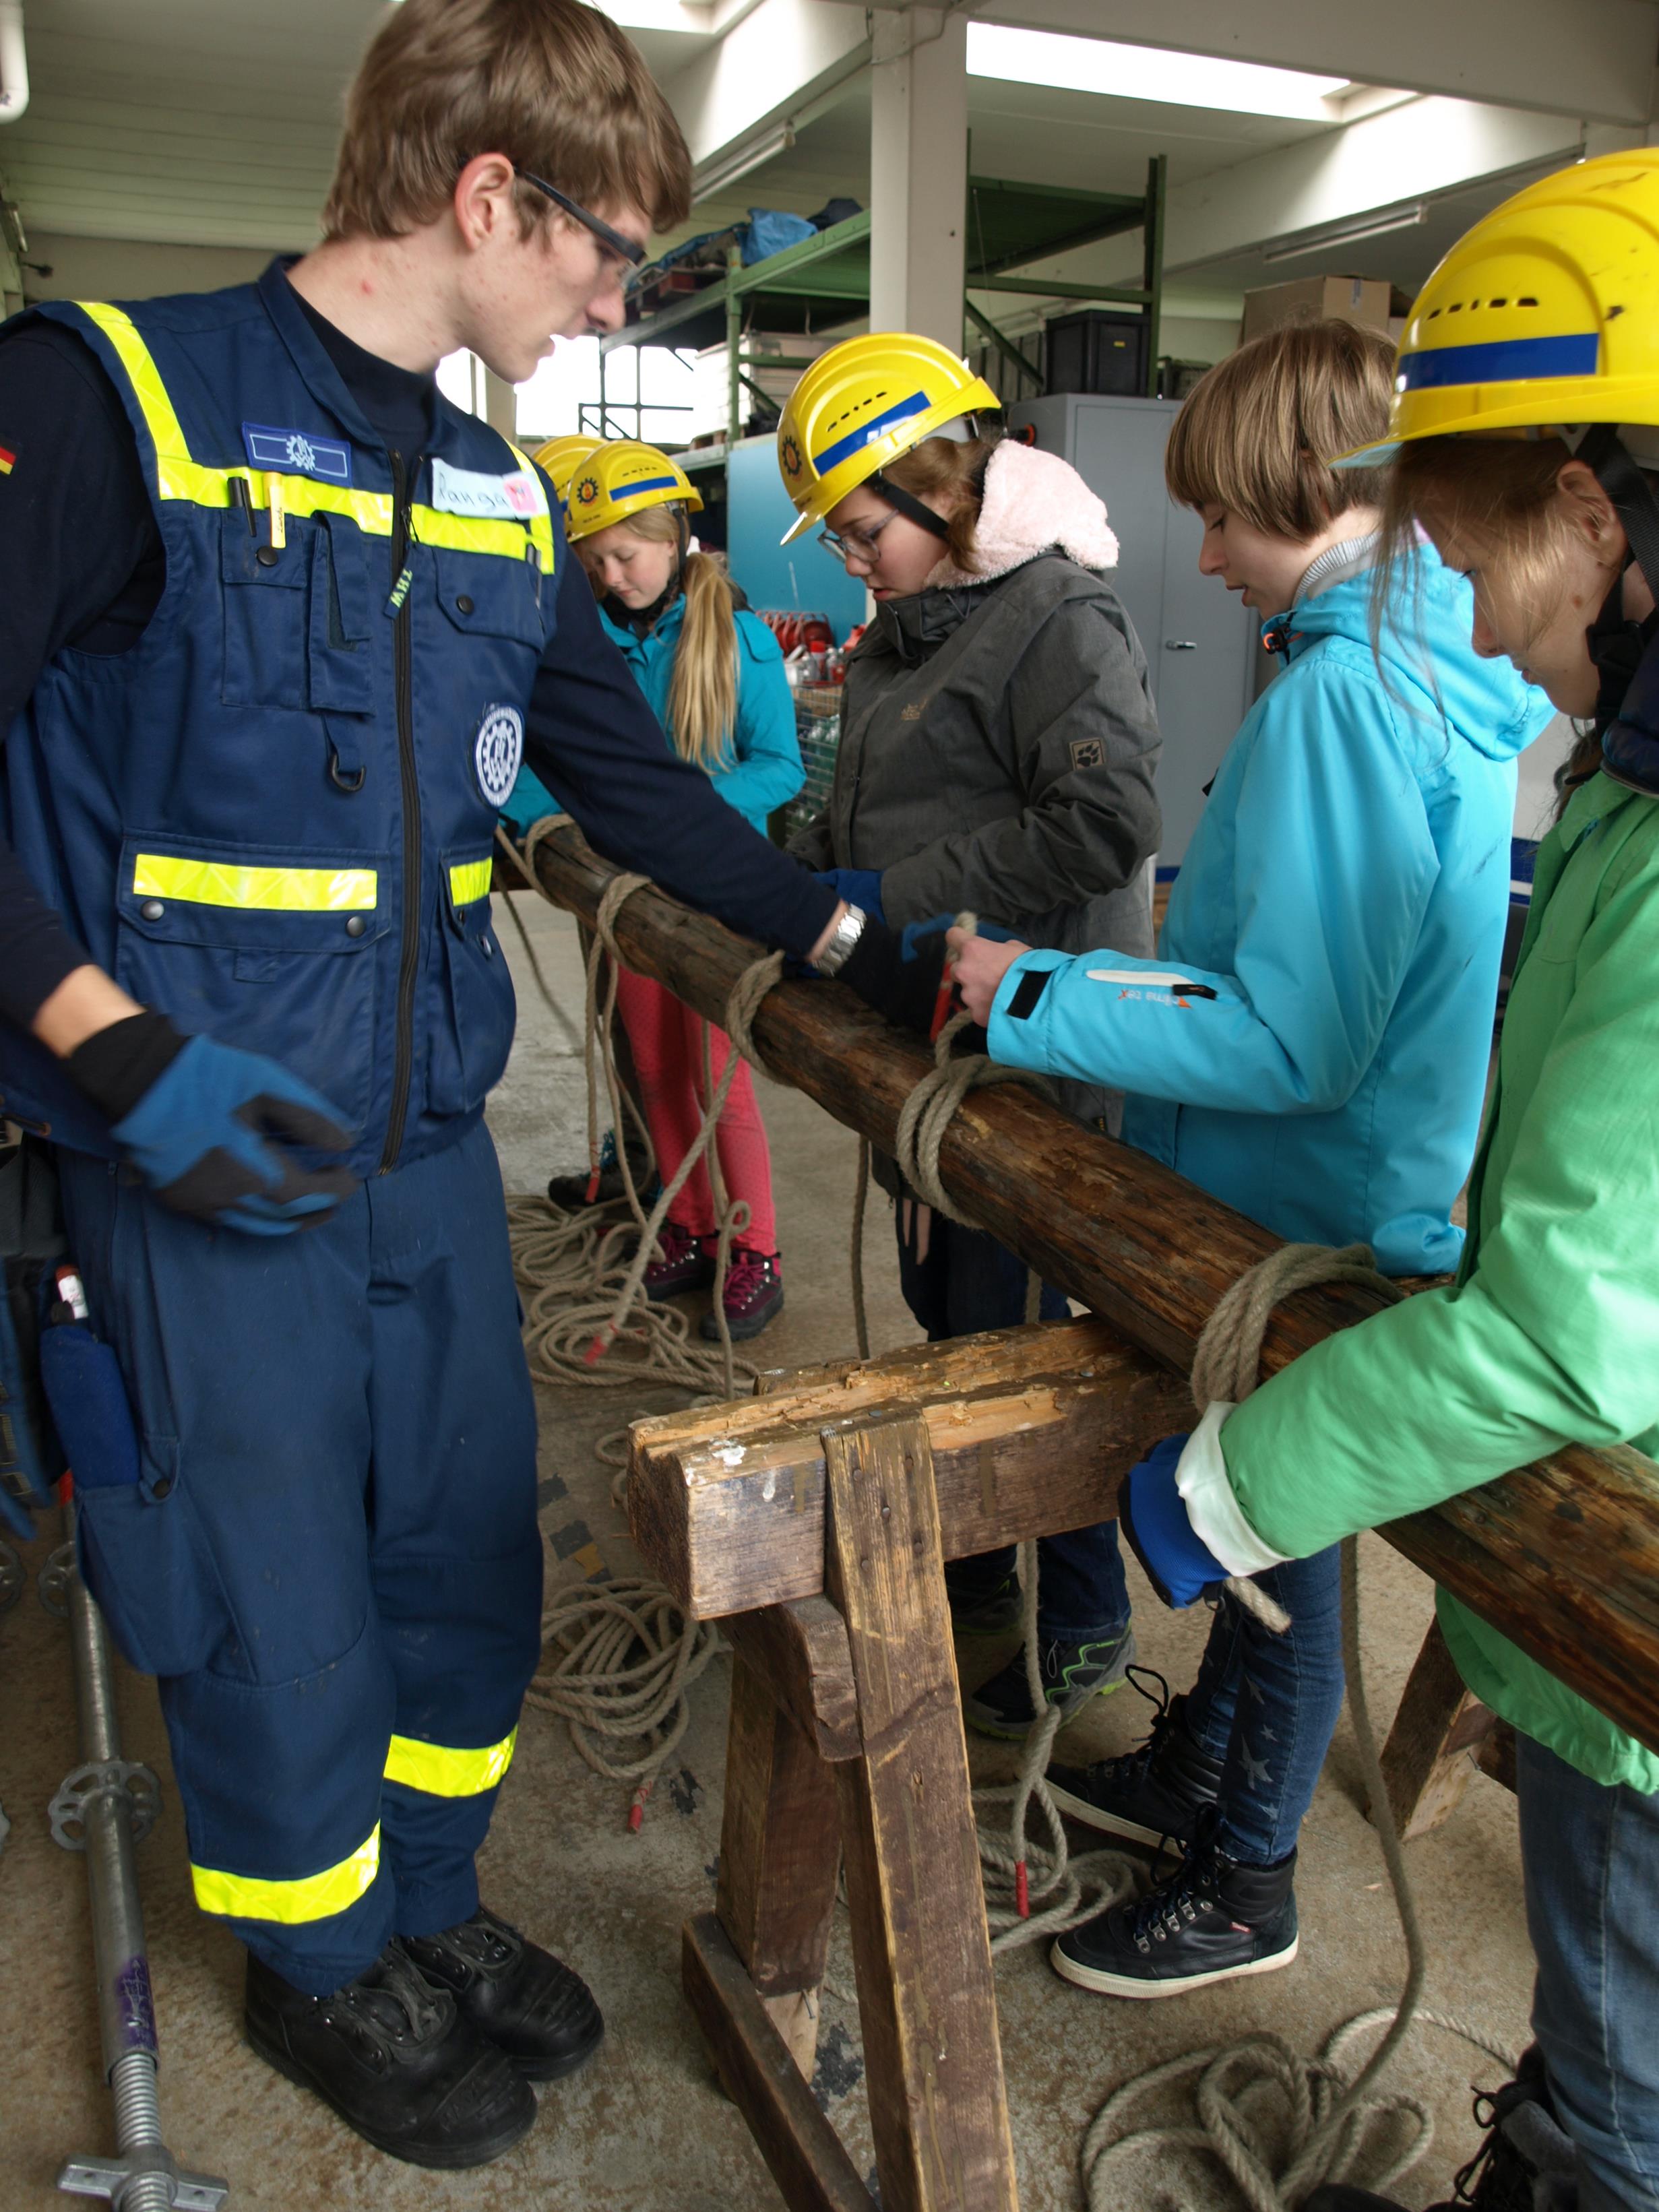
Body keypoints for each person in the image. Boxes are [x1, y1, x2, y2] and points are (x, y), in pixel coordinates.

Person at [0, 0, 923, 2170]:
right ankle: (316, 1954)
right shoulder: (113, 402)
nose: (615, 308)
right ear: (486, 194)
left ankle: (423, 1897)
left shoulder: (497, 493)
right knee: (271, 1594)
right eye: (609, 257)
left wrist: (863, 936)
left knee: (453, 1563)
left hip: (417, 1148)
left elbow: (630, 791)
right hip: (195, 1147)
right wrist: (106, 1045)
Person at [1104, 150, 1659, 2212]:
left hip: (1626, 1567)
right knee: (1601, 2014)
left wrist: (1226, 1484)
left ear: (1590, 515)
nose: (1467, 614)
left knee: (1622, 2056)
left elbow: (1563, 1331)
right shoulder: (1618, 792)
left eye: (1461, 544)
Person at [951, 317, 1551, 1998]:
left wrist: (1034, 993)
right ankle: (1204, 1769)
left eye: (1222, 518)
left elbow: (1296, 1041)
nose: (1205, 558)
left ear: (1309, 487)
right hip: (1368, 1182)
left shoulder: (1341, 697)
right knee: (1267, 1517)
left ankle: (1248, 1875)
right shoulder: (1433, 669)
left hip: (1295, 1202)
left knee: (1276, 1538)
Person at [776, 329, 1164, 1736]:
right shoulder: (914, 619)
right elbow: (878, 795)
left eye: (862, 529)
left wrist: (888, 897)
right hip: (928, 1039)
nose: (853, 561)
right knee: (949, 1314)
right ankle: (980, 1577)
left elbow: (1105, 822)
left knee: (1026, 1350)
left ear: (939, 492)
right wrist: (788, 862)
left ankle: (1081, 1619)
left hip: (1028, 1056)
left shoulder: (1056, 616)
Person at [526, 437, 803, 1340]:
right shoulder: (591, 648)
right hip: (633, 901)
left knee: (721, 1081)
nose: (612, 577)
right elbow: (543, 759)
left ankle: (754, 1248)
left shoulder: (738, 641)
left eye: (626, 555)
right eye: (595, 562)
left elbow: (781, 767)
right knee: (652, 1069)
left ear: (676, 535)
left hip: (719, 900)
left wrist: (679, 818)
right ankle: (687, 1227)